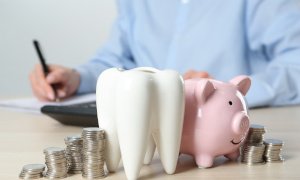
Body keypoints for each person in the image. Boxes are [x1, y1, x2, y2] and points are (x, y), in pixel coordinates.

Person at [29, 0, 300, 108]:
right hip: (149, 131)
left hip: (230, 131)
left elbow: (295, 64)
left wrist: (227, 91)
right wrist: (76, 78)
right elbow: (116, 60)